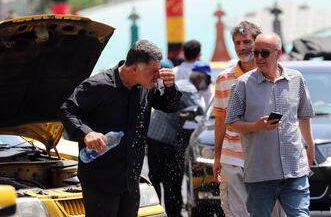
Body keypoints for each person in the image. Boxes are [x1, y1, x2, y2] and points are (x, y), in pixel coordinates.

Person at [58, 40, 181, 217]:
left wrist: (170, 87)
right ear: (134, 69)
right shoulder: (98, 85)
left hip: (130, 182)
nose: (158, 76)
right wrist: (87, 133)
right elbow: (67, 109)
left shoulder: (146, 87)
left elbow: (170, 106)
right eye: (153, 71)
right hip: (101, 182)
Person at [225, 33, 314, 217]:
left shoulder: (296, 79)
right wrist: (256, 126)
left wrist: (310, 146)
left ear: (278, 53)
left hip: (294, 170)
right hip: (261, 174)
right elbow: (231, 123)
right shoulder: (242, 84)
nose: (258, 58)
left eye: (264, 53)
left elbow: (304, 116)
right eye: (255, 53)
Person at [212, 21, 261, 216]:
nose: (242, 47)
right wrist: (217, 157)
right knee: (237, 212)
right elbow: (219, 120)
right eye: (238, 43)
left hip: (264, 158)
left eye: (247, 42)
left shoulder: (271, 74)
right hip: (232, 159)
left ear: (258, 42)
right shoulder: (224, 78)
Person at [147, 60, 205, 217]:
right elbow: (200, 112)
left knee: (154, 178)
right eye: (206, 80)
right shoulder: (190, 88)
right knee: (172, 181)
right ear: (199, 78)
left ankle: (153, 212)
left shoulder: (181, 83)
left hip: (152, 135)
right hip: (168, 139)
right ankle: (174, 214)